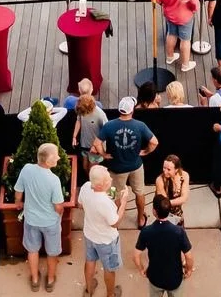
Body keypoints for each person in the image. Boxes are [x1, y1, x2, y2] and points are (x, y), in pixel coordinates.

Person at [96, 96, 158, 226]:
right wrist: (145, 151)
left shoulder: (109, 126)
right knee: (140, 192)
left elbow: (96, 143)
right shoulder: (140, 125)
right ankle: (141, 219)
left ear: (120, 110)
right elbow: (154, 142)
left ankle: (115, 219)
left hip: (115, 169)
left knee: (113, 193)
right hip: (136, 166)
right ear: (132, 111)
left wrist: (104, 154)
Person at [17, 141, 67, 292]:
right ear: (48, 161)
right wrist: (61, 213)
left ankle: (35, 279)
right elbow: (58, 206)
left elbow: (18, 191)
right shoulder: (54, 180)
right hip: (50, 222)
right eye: (56, 156)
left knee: (32, 250)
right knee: (52, 252)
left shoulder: (26, 169)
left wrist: (18, 203)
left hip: (31, 220)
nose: (58, 158)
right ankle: (50, 280)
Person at [80, 163, 129, 297]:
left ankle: (88, 290)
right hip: (107, 241)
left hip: (89, 235)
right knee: (109, 268)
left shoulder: (85, 187)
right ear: (100, 185)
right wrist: (123, 202)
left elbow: (80, 204)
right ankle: (110, 294)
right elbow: (115, 222)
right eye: (108, 179)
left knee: (90, 261)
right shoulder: (104, 202)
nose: (111, 180)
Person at [135, 193, 193, 297]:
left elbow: (136, 256)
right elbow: (188, 256)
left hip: (155, 278)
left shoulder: (146, 232)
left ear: (154, 211)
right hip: (174, 279)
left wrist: (141, 269)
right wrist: (188, 270)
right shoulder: (179, 232)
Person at [160, 0, 200, 74]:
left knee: (171, 33)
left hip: (170, 13)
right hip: (184, 15)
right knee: (185, 40)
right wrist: (194, 9)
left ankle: (170, 57)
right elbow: (193, 0)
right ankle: (185, 64)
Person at [154, 154, 191, 223]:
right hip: (163, 214)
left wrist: (178, 219)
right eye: (164, 168)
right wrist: (174, 220)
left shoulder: (184, 175)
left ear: (176, 169)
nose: (165, 171)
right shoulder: (159, 180)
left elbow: (184, 198)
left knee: (179, 230)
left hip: (177, 212)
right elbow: (163, 205)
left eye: (168, 169)